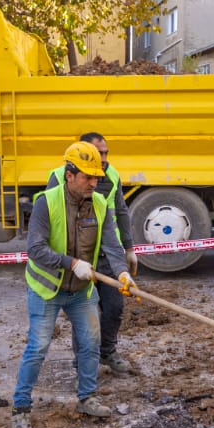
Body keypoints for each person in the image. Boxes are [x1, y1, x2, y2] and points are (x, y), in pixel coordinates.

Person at [11, 140, 132, 428]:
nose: (94, 183)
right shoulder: (46, 202)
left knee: (91, 343)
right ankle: (21, 408)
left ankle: (87, 398)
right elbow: (35, 249)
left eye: (96, 177)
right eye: (87, 177)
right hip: (47, 289)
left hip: (81, 290)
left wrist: (122, 272)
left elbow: (112, 244)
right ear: (69, 175)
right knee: (38, 347)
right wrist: (71, 263)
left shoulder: (99, 203)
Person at [44, 132, 138, 377]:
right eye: (99, 153)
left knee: (115, 307)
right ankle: (83, 362)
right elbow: (56, 220)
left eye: (106, 153)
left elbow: (121, 212)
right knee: (85, 313)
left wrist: (128, 251)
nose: (104, 159)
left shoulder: (112, 175)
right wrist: (71, 262)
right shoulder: (59, 177)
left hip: (106, 254)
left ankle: (107, 351)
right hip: (80, 256)